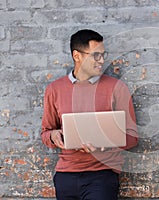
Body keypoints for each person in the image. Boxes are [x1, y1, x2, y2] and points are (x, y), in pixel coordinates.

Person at [41, 29, 138, 200]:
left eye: (103, 54)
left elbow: (132, 136)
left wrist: (105, 143)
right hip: (66, 175)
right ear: (76, 56)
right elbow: (46, 132)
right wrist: (54, 135)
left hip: (101, 174)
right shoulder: (54, 89)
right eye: (95, 55)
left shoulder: (117, 88)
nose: (102, 61)